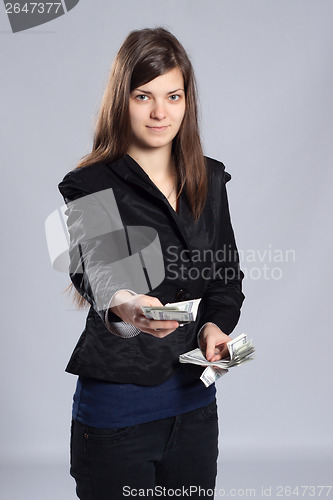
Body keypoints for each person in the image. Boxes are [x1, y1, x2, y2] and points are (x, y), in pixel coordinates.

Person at [58, 27, 245, 500]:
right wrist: (127, 303)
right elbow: (94, 266)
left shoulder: (211, 179)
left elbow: (226, 278)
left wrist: (215, 328)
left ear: (187, 101)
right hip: (116, 418)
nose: (161, 112)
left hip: (196, 408)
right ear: (122, 100)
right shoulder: (89, 184)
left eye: (173, 96)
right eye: (144, 96)